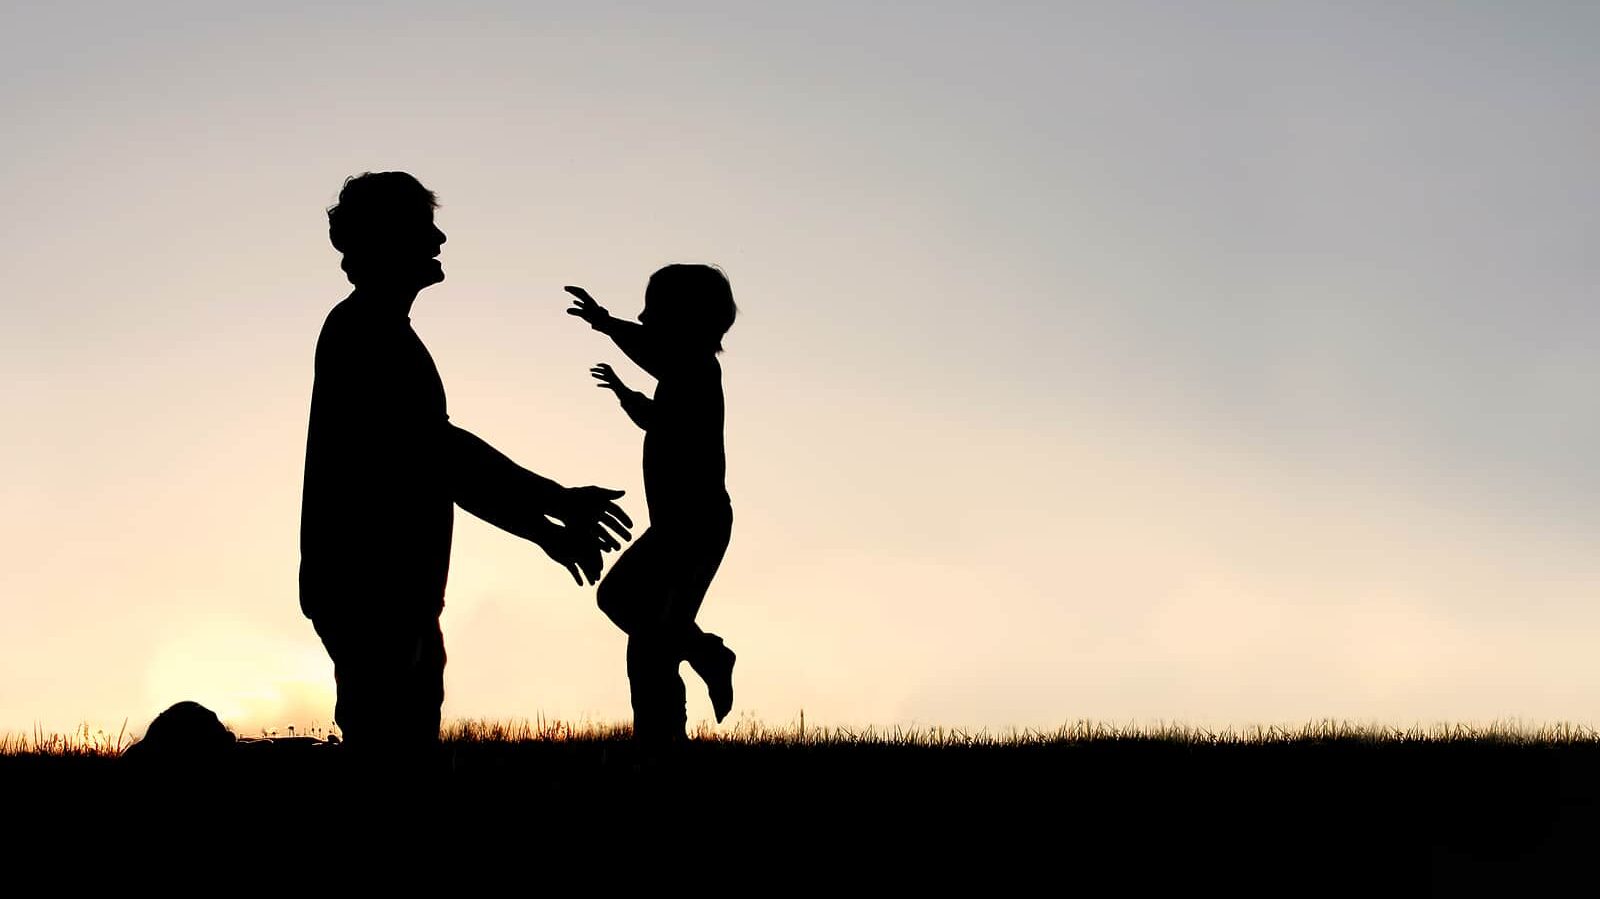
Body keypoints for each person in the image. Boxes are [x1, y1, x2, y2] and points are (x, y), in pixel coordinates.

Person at [300, 171, 632, 757]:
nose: (440, 239)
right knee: (389, 752)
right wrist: (554, 503)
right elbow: (439, 452)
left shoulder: (379, 332)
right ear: (388, 237)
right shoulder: (364, 333)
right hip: (371, 584)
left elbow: (439, 465)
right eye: (424, 227)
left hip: (393, 586)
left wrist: (543, 529)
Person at [564, 265, 738, 750]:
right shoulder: (685, 376)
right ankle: (692, 674)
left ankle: (666, 731)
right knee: (634, 621)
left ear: (687, 319)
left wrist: (604, 322)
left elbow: (658, 355)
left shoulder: (698, 367)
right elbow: (656, 419)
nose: (641, 316)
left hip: (696, 525)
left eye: (653, 310)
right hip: (676, 527)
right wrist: (624, 394)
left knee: (643, 633)